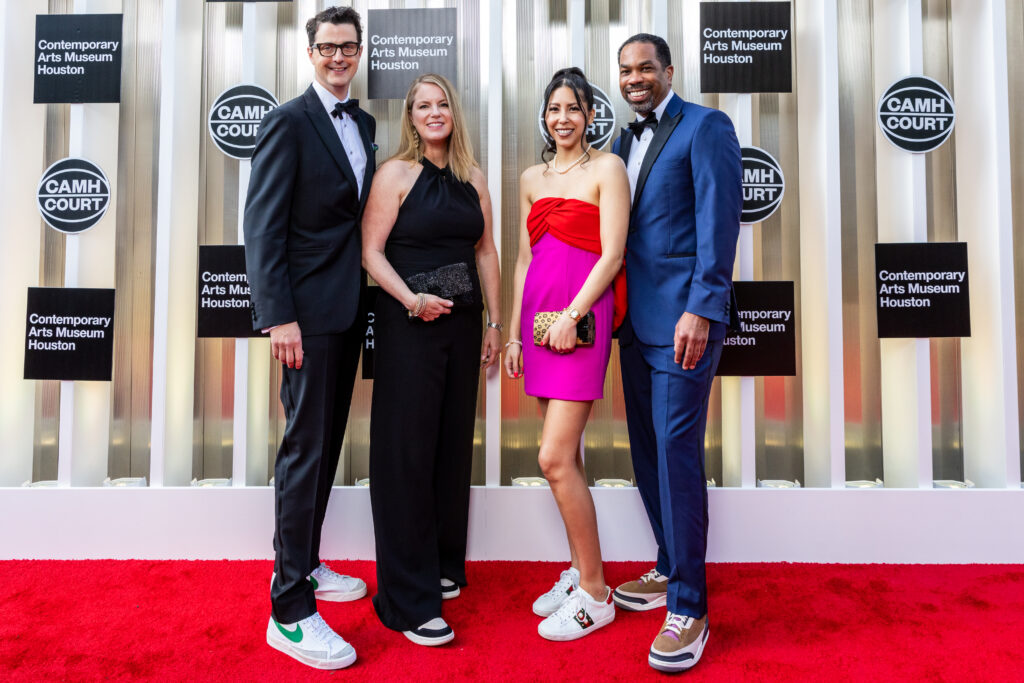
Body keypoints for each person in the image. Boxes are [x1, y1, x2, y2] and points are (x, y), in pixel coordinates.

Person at [243, 6, 375, 671]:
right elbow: (262, 226)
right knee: (304, 450)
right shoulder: (287, 121)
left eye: (348, 47)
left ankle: (306, 562)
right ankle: (289, 609)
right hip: (305, 317)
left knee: (323, 448)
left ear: (359, 52)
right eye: (328, 47)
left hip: (347, 310)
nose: (338, 56)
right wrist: (280, 317)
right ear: (311, 52)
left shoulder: (366, 124)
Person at [610, 34, 742, 672]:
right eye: (625, 70)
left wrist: (703, 307)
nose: (635, 78)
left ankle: (690, 607)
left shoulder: (706, 126)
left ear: (668, 70)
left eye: (645, 68)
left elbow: (719, 222)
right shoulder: (620, 142)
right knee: (646, 451)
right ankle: (668, 565)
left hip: (684, 322)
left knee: (675, 453)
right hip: (633, 326)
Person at [361, 73, 502, 647]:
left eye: (443, 103)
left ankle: (441, 564)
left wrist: (496, 323)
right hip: (410, 328)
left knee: (449, 447)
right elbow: (370, 253)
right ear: (411, 117)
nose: (435, 112)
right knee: (407, 454)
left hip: (463, 328)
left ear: (453, 112)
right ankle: (405, 599)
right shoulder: (394, 174)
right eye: (424, 105)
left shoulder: (473, 176)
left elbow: (486, 251)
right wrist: (412, 300)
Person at [504, 67, 630, 642]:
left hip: (580, 322)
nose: (563, 118)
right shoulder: (531, 177)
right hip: (539, 324)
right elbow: (525, 260)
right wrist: (514, 333)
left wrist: (573, 317)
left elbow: (612, 256)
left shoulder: (608, 168)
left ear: (590, 114)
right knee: (567, 459)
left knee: (552, 458)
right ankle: (581, 572)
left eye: (573, 108)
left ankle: (597, 595)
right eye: (554, 108)